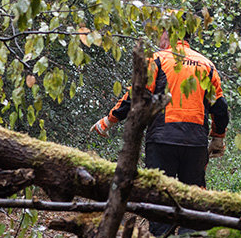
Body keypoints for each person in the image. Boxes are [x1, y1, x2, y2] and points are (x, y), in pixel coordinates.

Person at [90, 31, 229, 188]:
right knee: (195, 196)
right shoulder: (206, 65)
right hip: (195, 140)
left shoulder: (157, 59)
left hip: (163, 138)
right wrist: (218, 137)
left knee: (156, 191)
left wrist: (109, 120)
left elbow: (137, 95)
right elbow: (219, 106)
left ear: (168, 34)